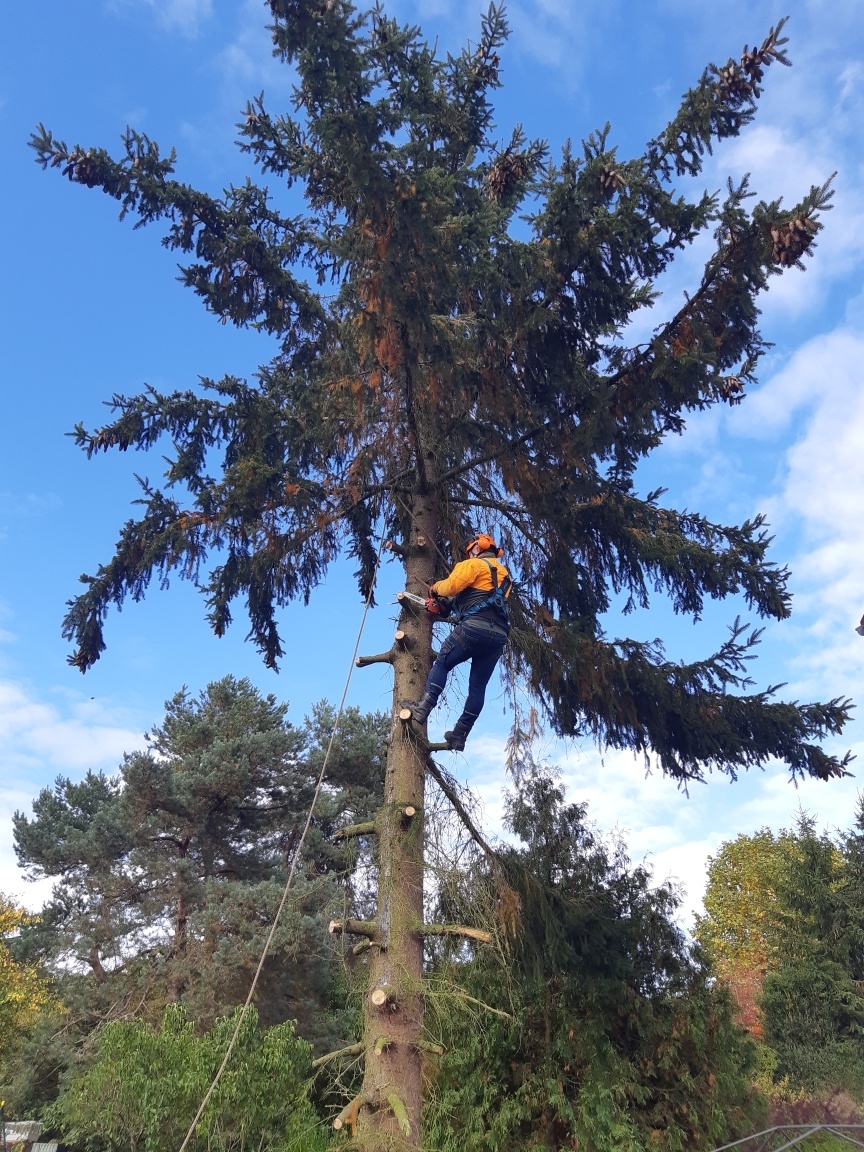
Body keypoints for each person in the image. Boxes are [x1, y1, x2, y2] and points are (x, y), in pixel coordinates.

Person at [405, 533, 512, 751]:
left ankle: (422, 708)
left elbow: (450, 587)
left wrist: (435, 589)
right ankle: (460, 735)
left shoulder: (473, 564)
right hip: (498, 636)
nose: (469, 553)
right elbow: (474, 599)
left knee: (443, 663)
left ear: (477, 549)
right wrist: (443, 607)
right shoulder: (504, 576)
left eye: (470, 550)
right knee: (478, 687)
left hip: (473, 629)